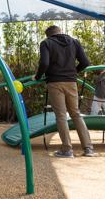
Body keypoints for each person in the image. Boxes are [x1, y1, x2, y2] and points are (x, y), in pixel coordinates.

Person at [33, 25, 94, 158]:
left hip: (55, 82)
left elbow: (44, 63)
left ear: (48, 35)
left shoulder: (46, 43)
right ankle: (88, 148)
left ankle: (67, 150)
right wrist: (73, 72)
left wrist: (37, 77)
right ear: (60, 32)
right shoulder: (74, 41)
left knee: (61, 115)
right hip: (71, 82)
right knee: (76, 114)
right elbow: (85, 62)